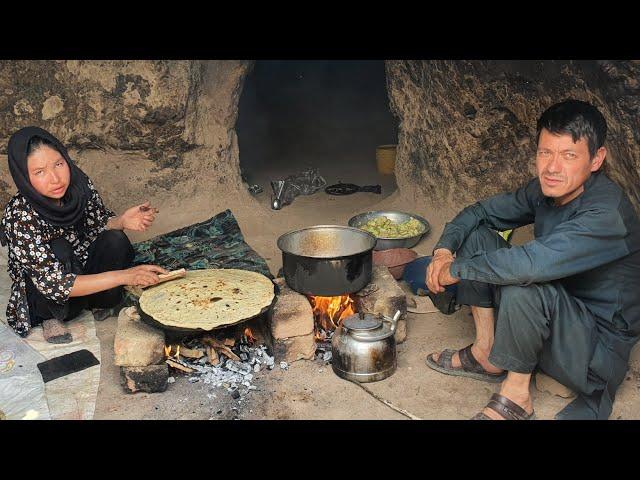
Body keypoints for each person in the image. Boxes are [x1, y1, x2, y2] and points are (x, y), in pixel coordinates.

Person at [424, 99, 640, 420]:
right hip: (554, 318)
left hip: (592, 351)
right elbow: (480, 212)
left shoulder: (606, 214)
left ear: (596, 159)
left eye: (569, 155)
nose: (552, 168)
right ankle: (487, 352)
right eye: (545, 152)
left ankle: (517, 395)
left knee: (523, 278)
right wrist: (443, 250)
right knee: (477, 233)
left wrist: (455, 270)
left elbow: (529, 266)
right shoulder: (547, 189)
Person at [0, 126, 168, 343]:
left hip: (84, 272)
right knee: (59, 248)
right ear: (24, 176)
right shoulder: (19, 215)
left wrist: (121, 221)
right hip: (50, 293)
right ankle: (50, 317)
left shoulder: (79, 187)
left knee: (115, 239)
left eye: (59, 164)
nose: (55, 178)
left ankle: (98, 301)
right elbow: (53, 283)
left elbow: (97, 223)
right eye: (39, 172)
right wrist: (126, 276)